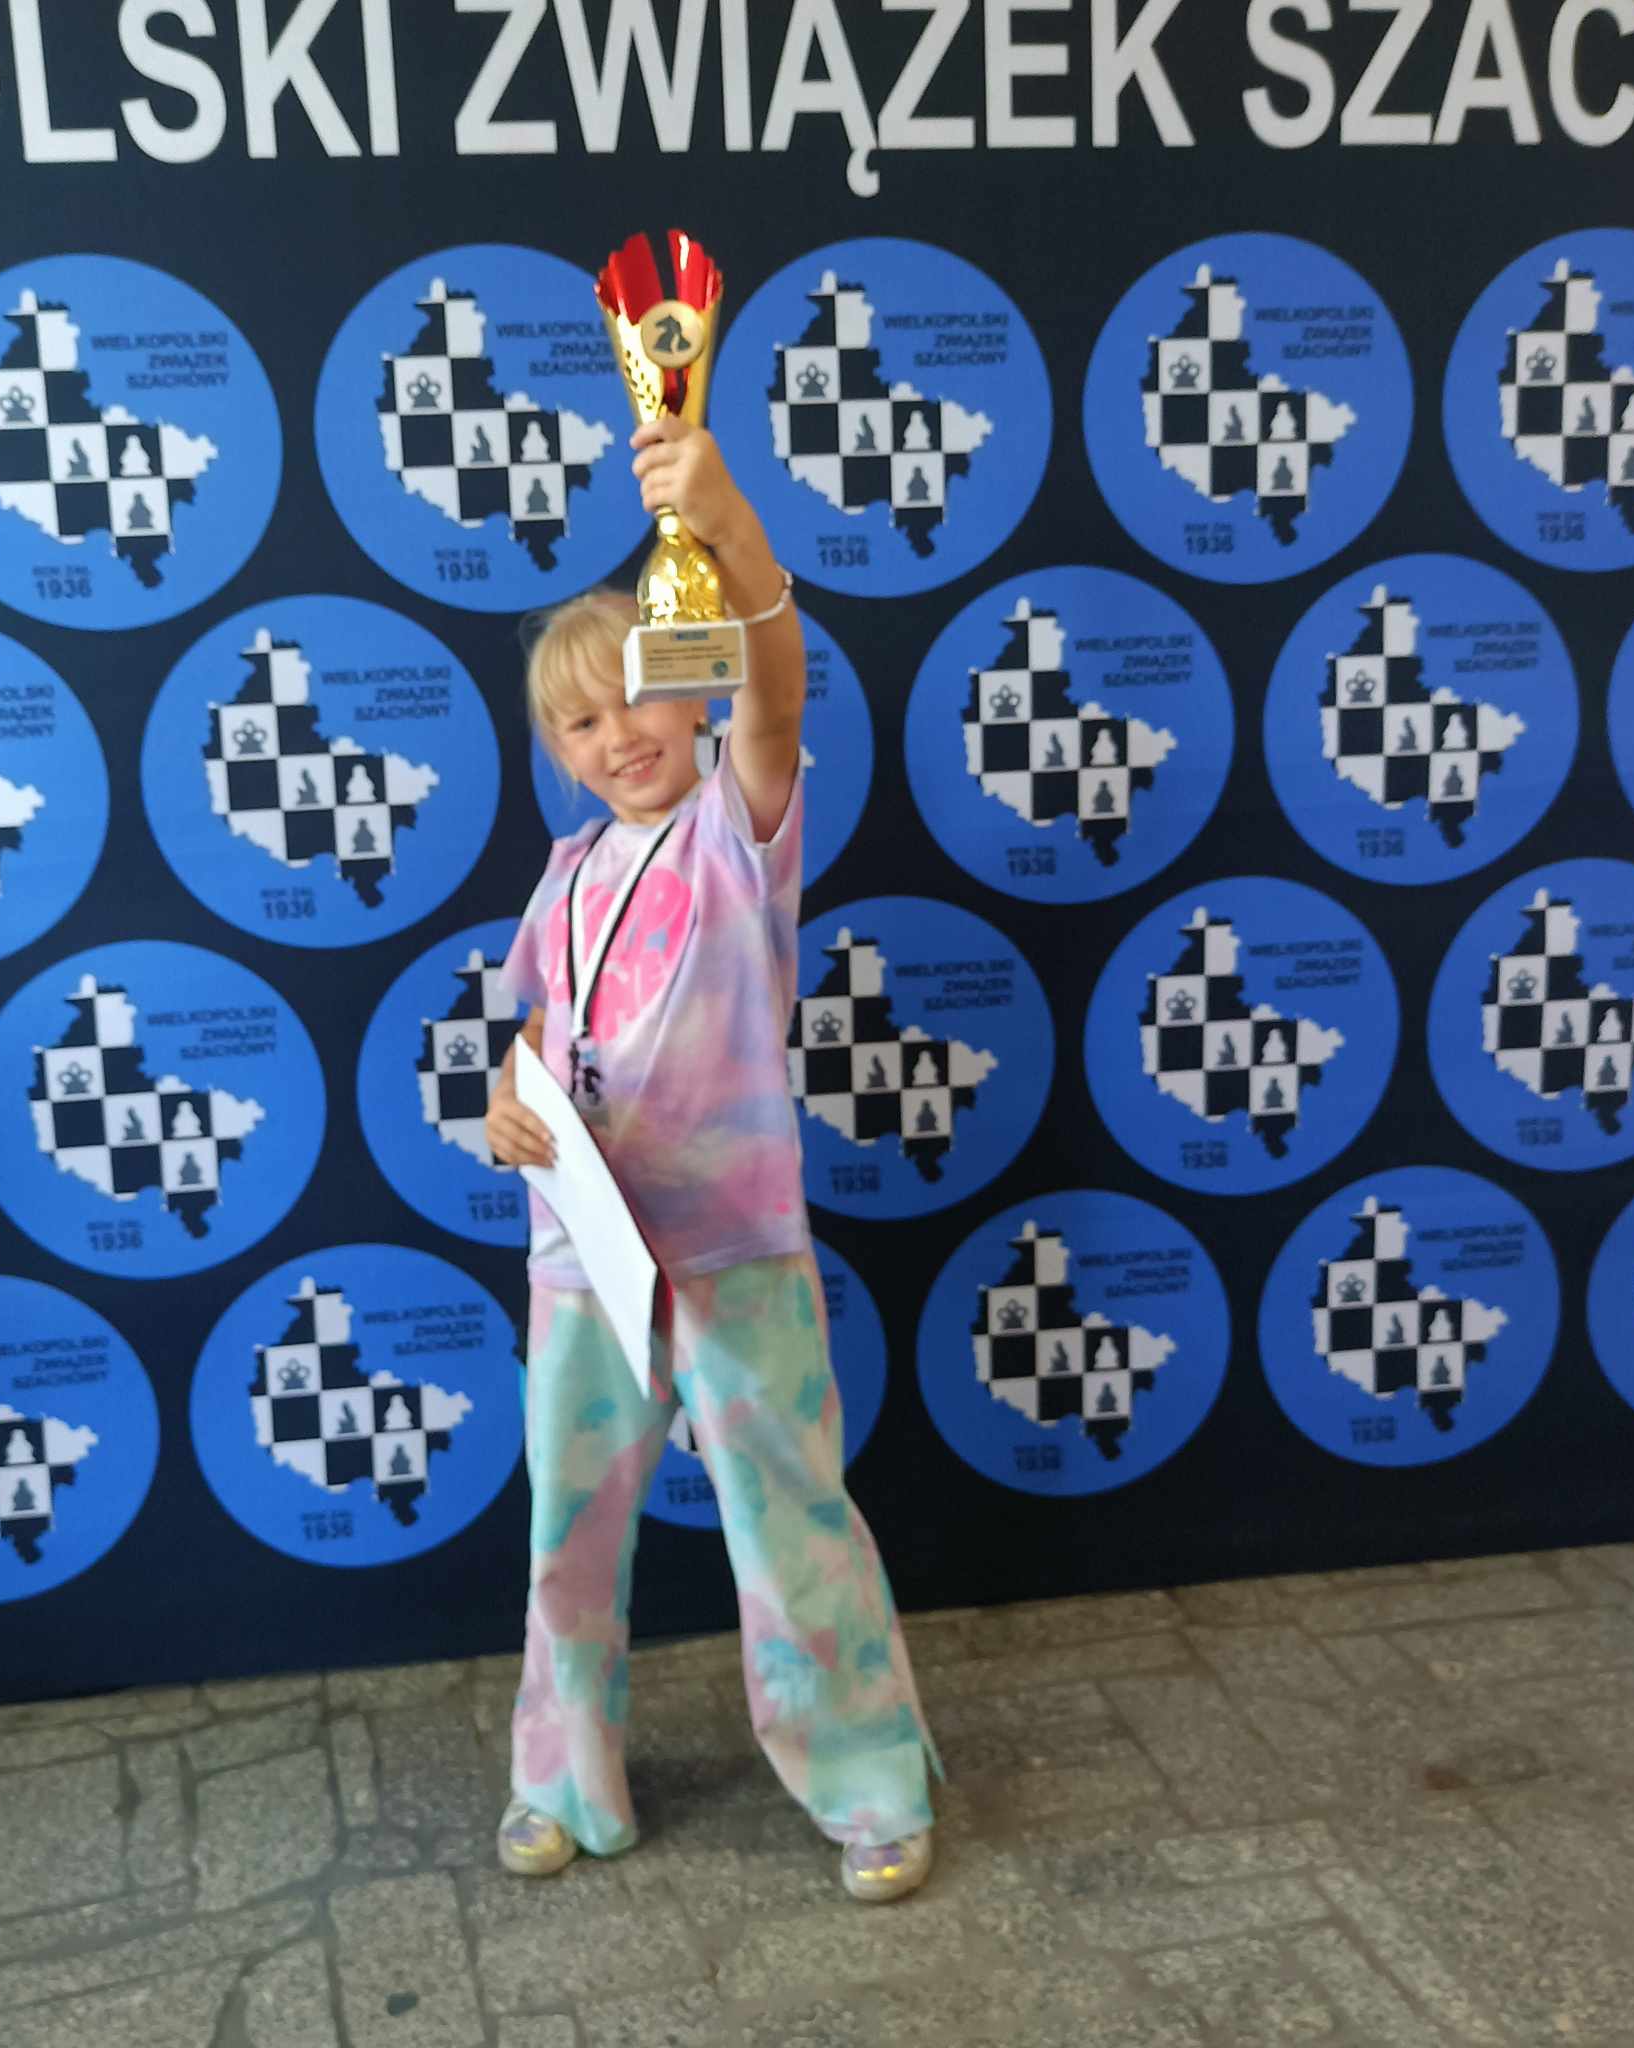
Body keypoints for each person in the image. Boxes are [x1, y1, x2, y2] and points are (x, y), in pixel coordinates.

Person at [484, 417, 942, 1906]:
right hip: (586, 1256)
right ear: (554, 754)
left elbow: (778, 680)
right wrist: (507, 1098)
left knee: (791, 1525)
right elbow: (540, 1036)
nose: (616, 736)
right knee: (568, 1534)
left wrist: (728, 519)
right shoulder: (566, 876)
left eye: (636, 697)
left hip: (734, 1250)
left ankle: (871, 1782)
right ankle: (562, 1774)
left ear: (687, 692)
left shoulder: (739, 836)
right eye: (577, 725)